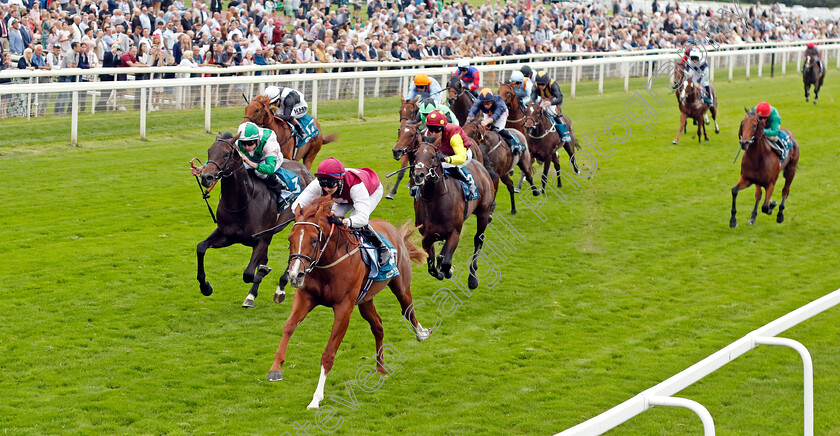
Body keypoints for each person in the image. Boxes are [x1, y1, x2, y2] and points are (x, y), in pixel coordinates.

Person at [291, 157, 391, 267]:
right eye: (323, 185)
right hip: (343, 198)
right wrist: (303, 217)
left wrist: (343, 222)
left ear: (340, 180)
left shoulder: (356, 187)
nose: (326, 188)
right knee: (332, 217)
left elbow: (362, 218)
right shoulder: (319, 184)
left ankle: (382, 247)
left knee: (354, 219)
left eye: (330, 185)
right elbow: (297, 205)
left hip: (371, 191)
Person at [424, 110, 478, 200]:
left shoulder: (454, 136)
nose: (433, 133)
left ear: (442, 128)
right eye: (431, 129)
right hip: (444, 153)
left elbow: (461, 158)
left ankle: (469, 183)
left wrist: (446, 159)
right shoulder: (429, 133)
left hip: (463, 154)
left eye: (436, 130)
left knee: (445, 165)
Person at [234, 121, 288, 198]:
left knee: (259, 172)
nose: (246, 147)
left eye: (250, 143)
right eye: (243, 143)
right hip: (252, 158)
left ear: (257, 140)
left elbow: (270, 169)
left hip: (271, 159)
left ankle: (281, 187)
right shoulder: (239, 141)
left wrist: (250, 163)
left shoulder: (269, 143)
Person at [468, 88, 523, 154]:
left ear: (492, 100)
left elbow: (496, 116)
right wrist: (469, 119)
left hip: (501, 113)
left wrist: (486, 122)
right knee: (484, 129)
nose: (486, 105)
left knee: (498, 129)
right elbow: (472, 110)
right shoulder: (479, 101)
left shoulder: (499, 102)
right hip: (488, 113)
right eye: (484, 103)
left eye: (488, 103)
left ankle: (515, 142)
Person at [530, 71, 572, 142]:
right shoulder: (536, 85)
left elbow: (560, 98)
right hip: (542, 99)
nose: (540, 86)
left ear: (546, 82)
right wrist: (531, 102)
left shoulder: (553, 84)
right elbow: (533, 96)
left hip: (553, 99)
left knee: (553, 113)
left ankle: (565, 133)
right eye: (539, 84)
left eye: (542, 84)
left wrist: (551, 103)